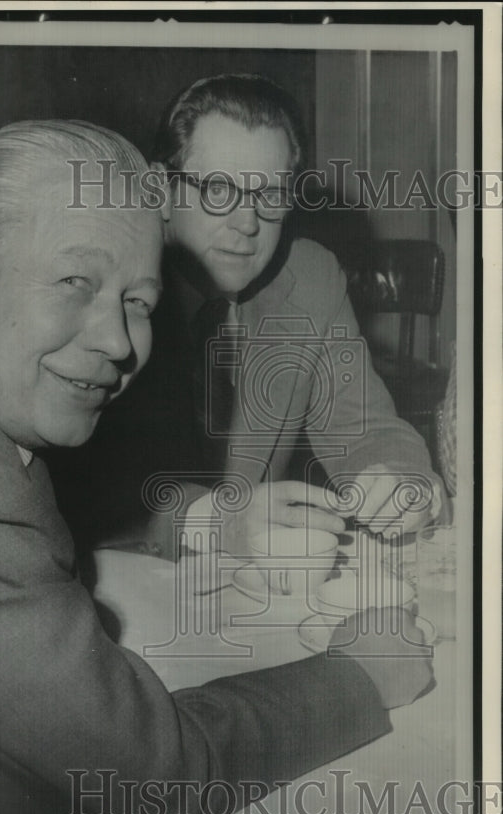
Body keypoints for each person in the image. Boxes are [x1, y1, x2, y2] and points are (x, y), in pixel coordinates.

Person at [0, 120, 432, 814]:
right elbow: (163, 777)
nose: (118, 342)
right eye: (74, 281)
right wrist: (358, 676)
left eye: (136, 303)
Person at [52, 74, 444, 561]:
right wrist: (211, 524)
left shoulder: (309, 276)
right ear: (159, 188)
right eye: (218, 189)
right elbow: (64, 493)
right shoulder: (95, 278)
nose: (247, 222)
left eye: (271, 194)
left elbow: (364, 427)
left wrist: (401, 480)